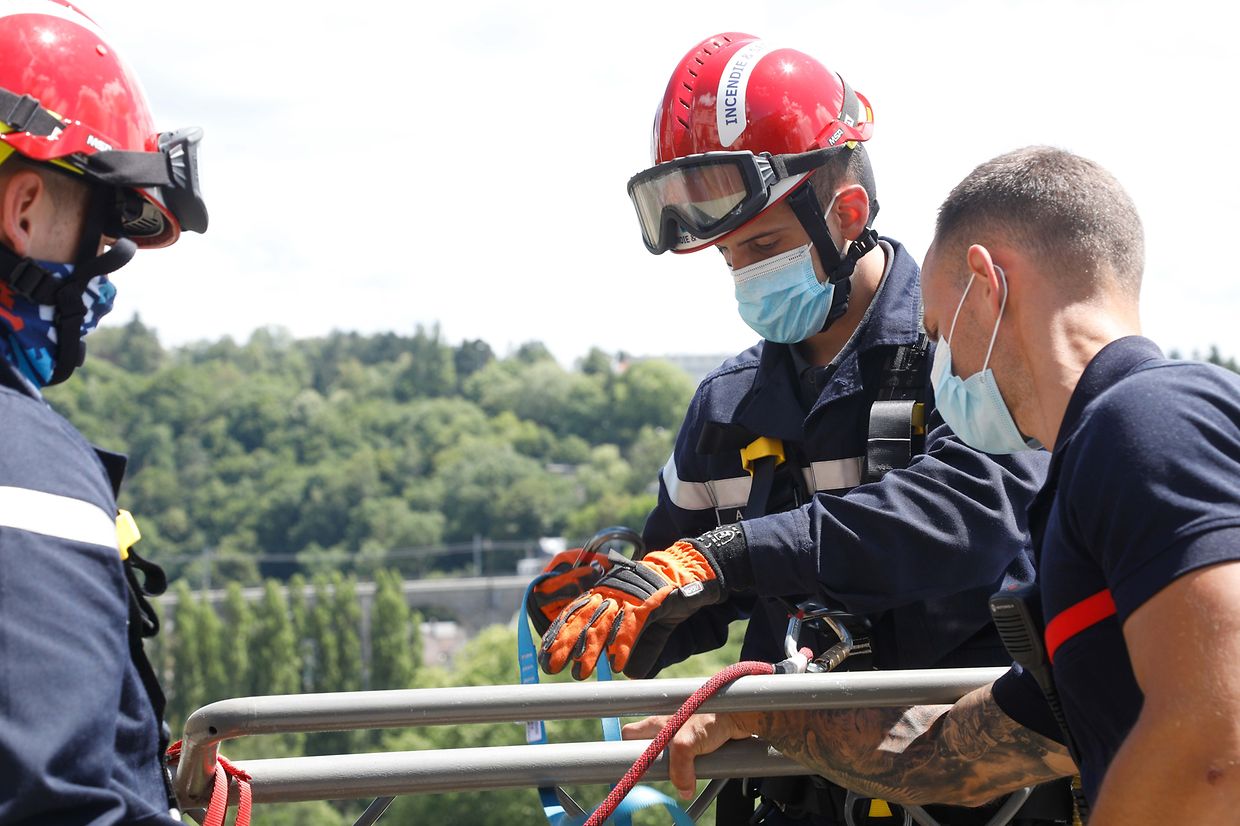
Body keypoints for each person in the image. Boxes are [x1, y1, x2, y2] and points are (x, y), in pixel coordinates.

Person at [532, 33, 1066, 825]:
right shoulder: (730, 405)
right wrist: (614, 606)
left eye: (763, 246)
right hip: (792, 796)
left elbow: (970, 515)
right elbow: (691, 586)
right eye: (728, 258)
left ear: (845, 212)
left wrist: (725, 559)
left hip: (976, 789)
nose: (746, 277)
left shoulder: (968, 354)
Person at [626, 145, 1240, 823]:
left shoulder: (1150, 418)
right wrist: (763, 710)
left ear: (987, 285)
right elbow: (949, 757)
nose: (943, 368)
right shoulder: (1086, 479)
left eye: (940, 334)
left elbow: (1218, 744)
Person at [0, 2, 208, 822]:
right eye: (100, 232)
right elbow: (57, 802)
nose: (102, 280)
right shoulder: (23, 468)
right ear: (22, 212)